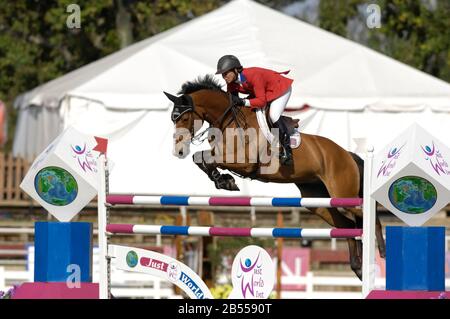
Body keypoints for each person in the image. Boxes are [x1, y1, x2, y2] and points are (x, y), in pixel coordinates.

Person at [215, 54, 294, 165]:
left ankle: (287, 150)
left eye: (226, 73)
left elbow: (261, 102)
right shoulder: (232, 83)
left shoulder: (252, 75)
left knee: (273, 115)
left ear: (235, 70)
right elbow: (232, 104)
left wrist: (244, 101)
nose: (224, 77)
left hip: (280, 89)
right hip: (263, 92)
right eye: (222, 74)